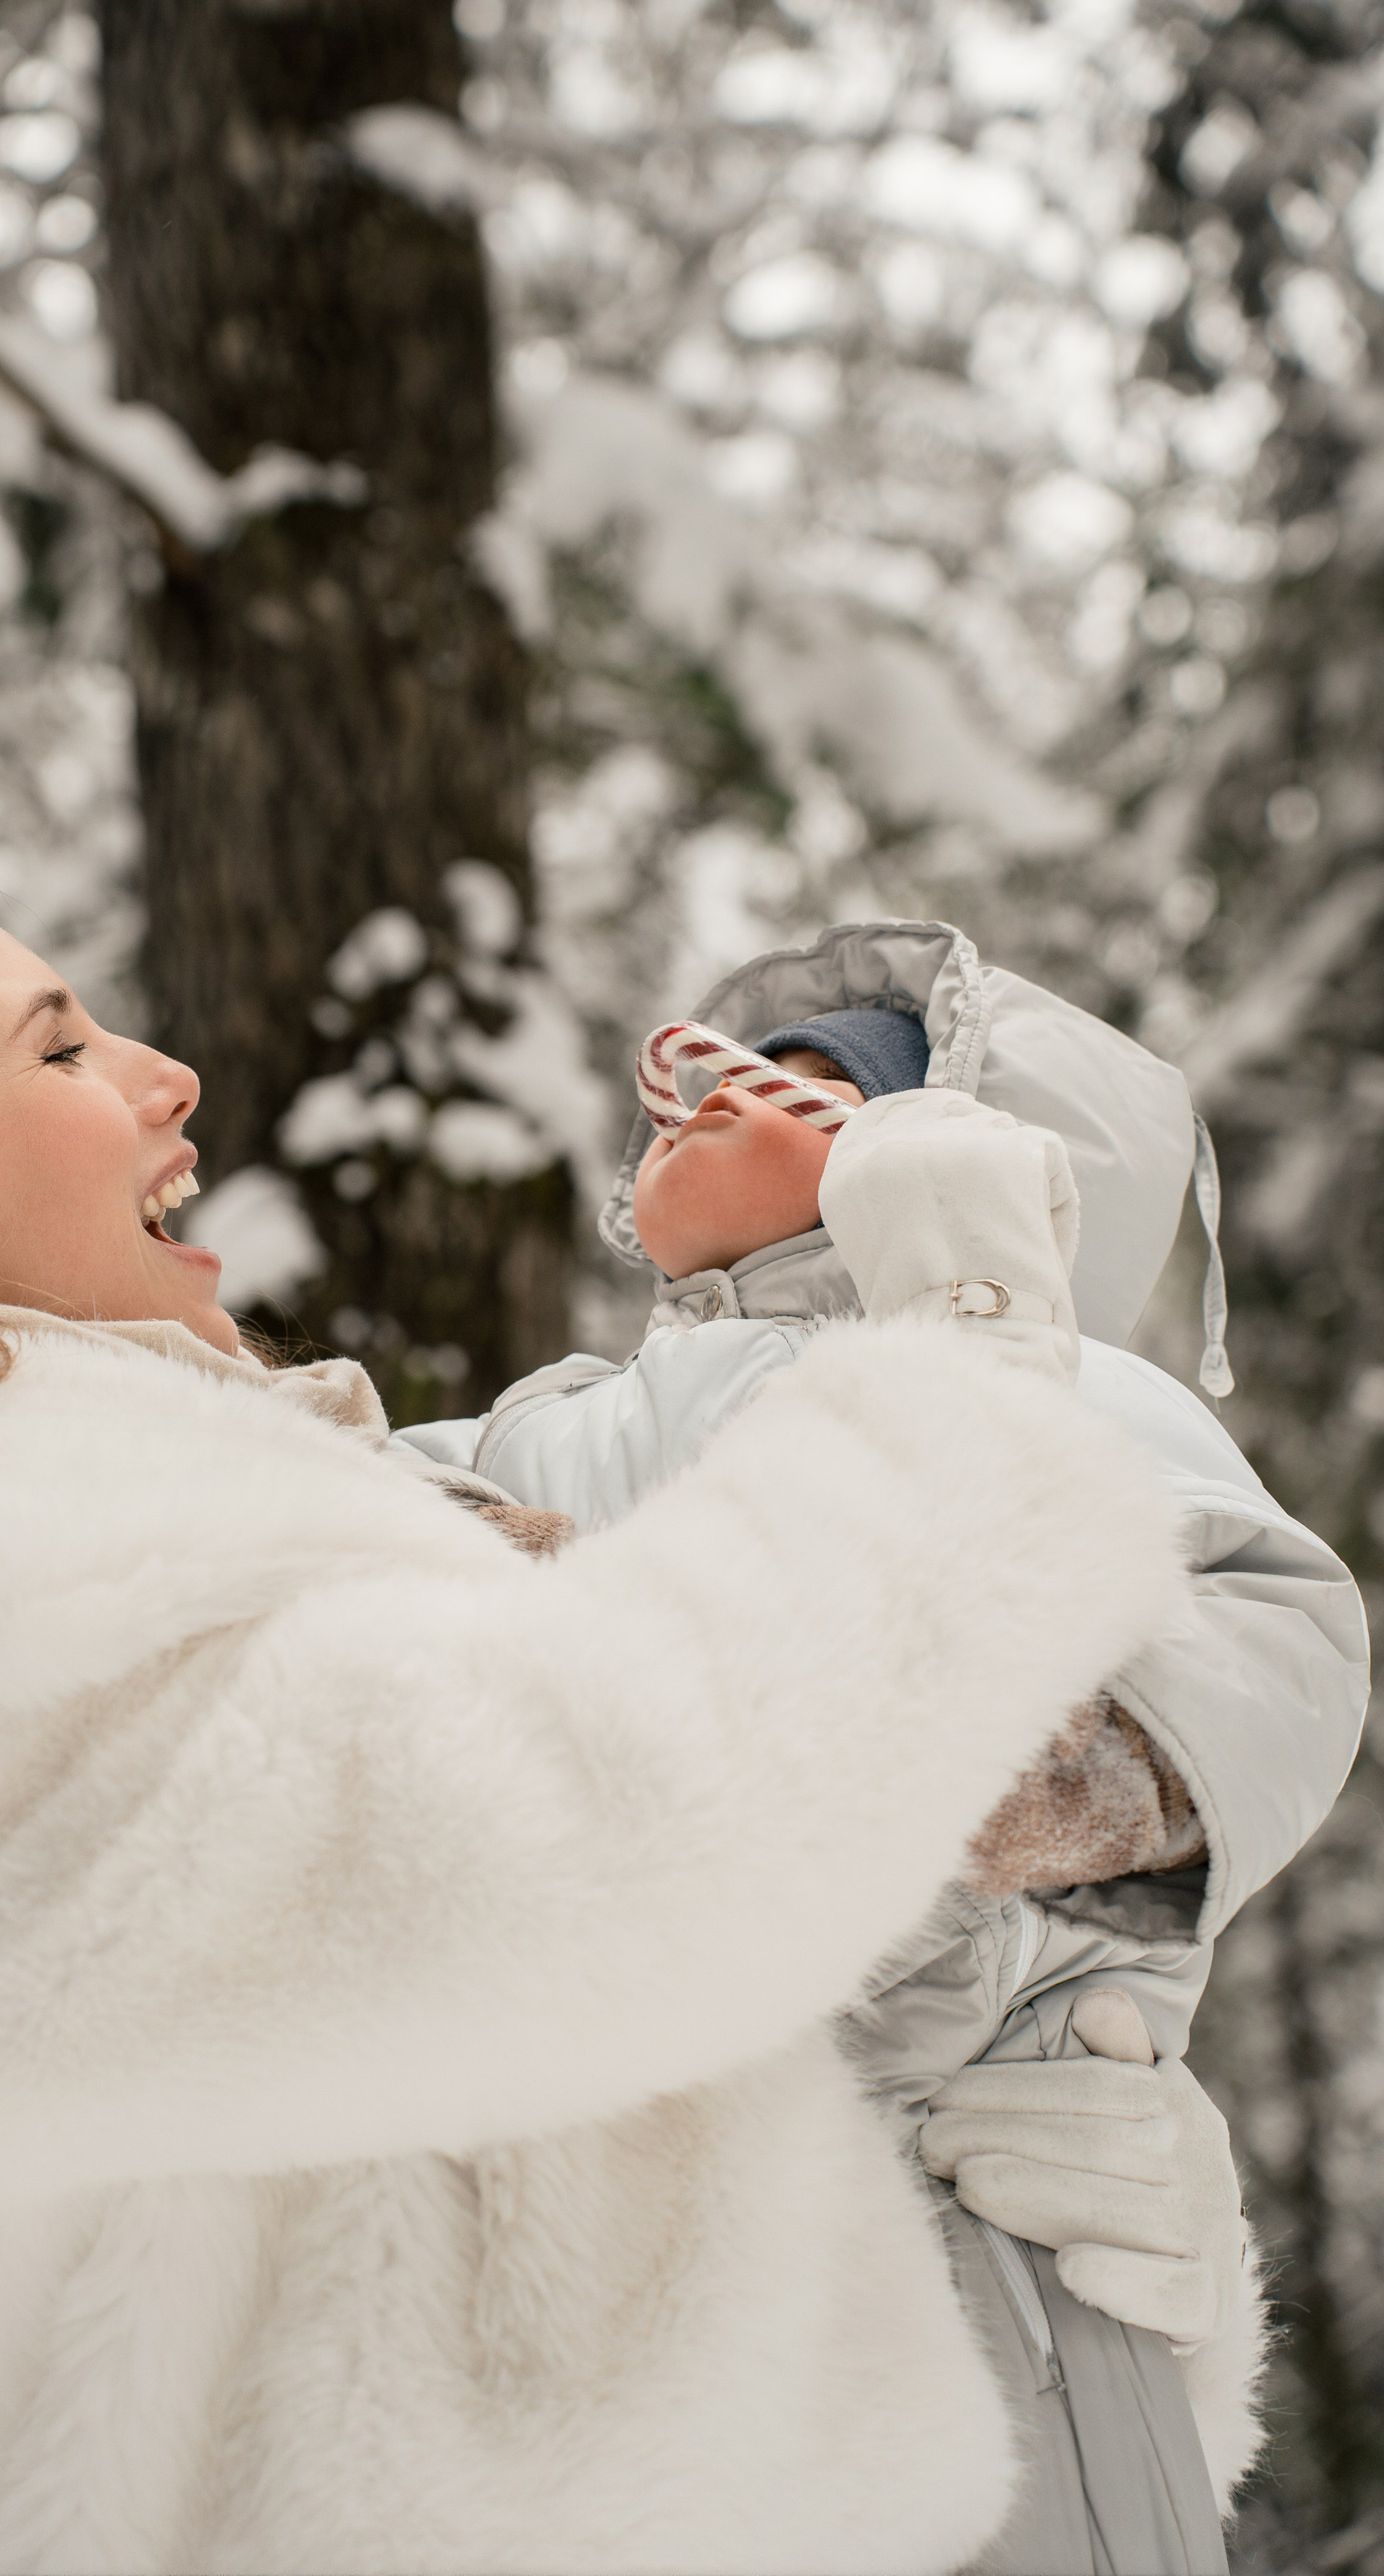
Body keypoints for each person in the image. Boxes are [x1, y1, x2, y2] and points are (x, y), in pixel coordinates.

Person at [0, 874, 1244, 2576]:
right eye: (54, 1051)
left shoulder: (29, 1553)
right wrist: (961, 1347)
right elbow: (634, 1839)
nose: (164, 1073)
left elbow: (465, 2124)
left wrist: (1025, 2255)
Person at [398, 916, 1367, 2574]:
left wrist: (972, 1331)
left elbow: (1166, 1729)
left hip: (979, 2258)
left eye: (809, 1086)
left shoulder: (1095, 1405)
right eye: (704, 1065)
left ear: (959, 1156)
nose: (704, 1094)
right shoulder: (536, 1426)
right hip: (590, 2284)